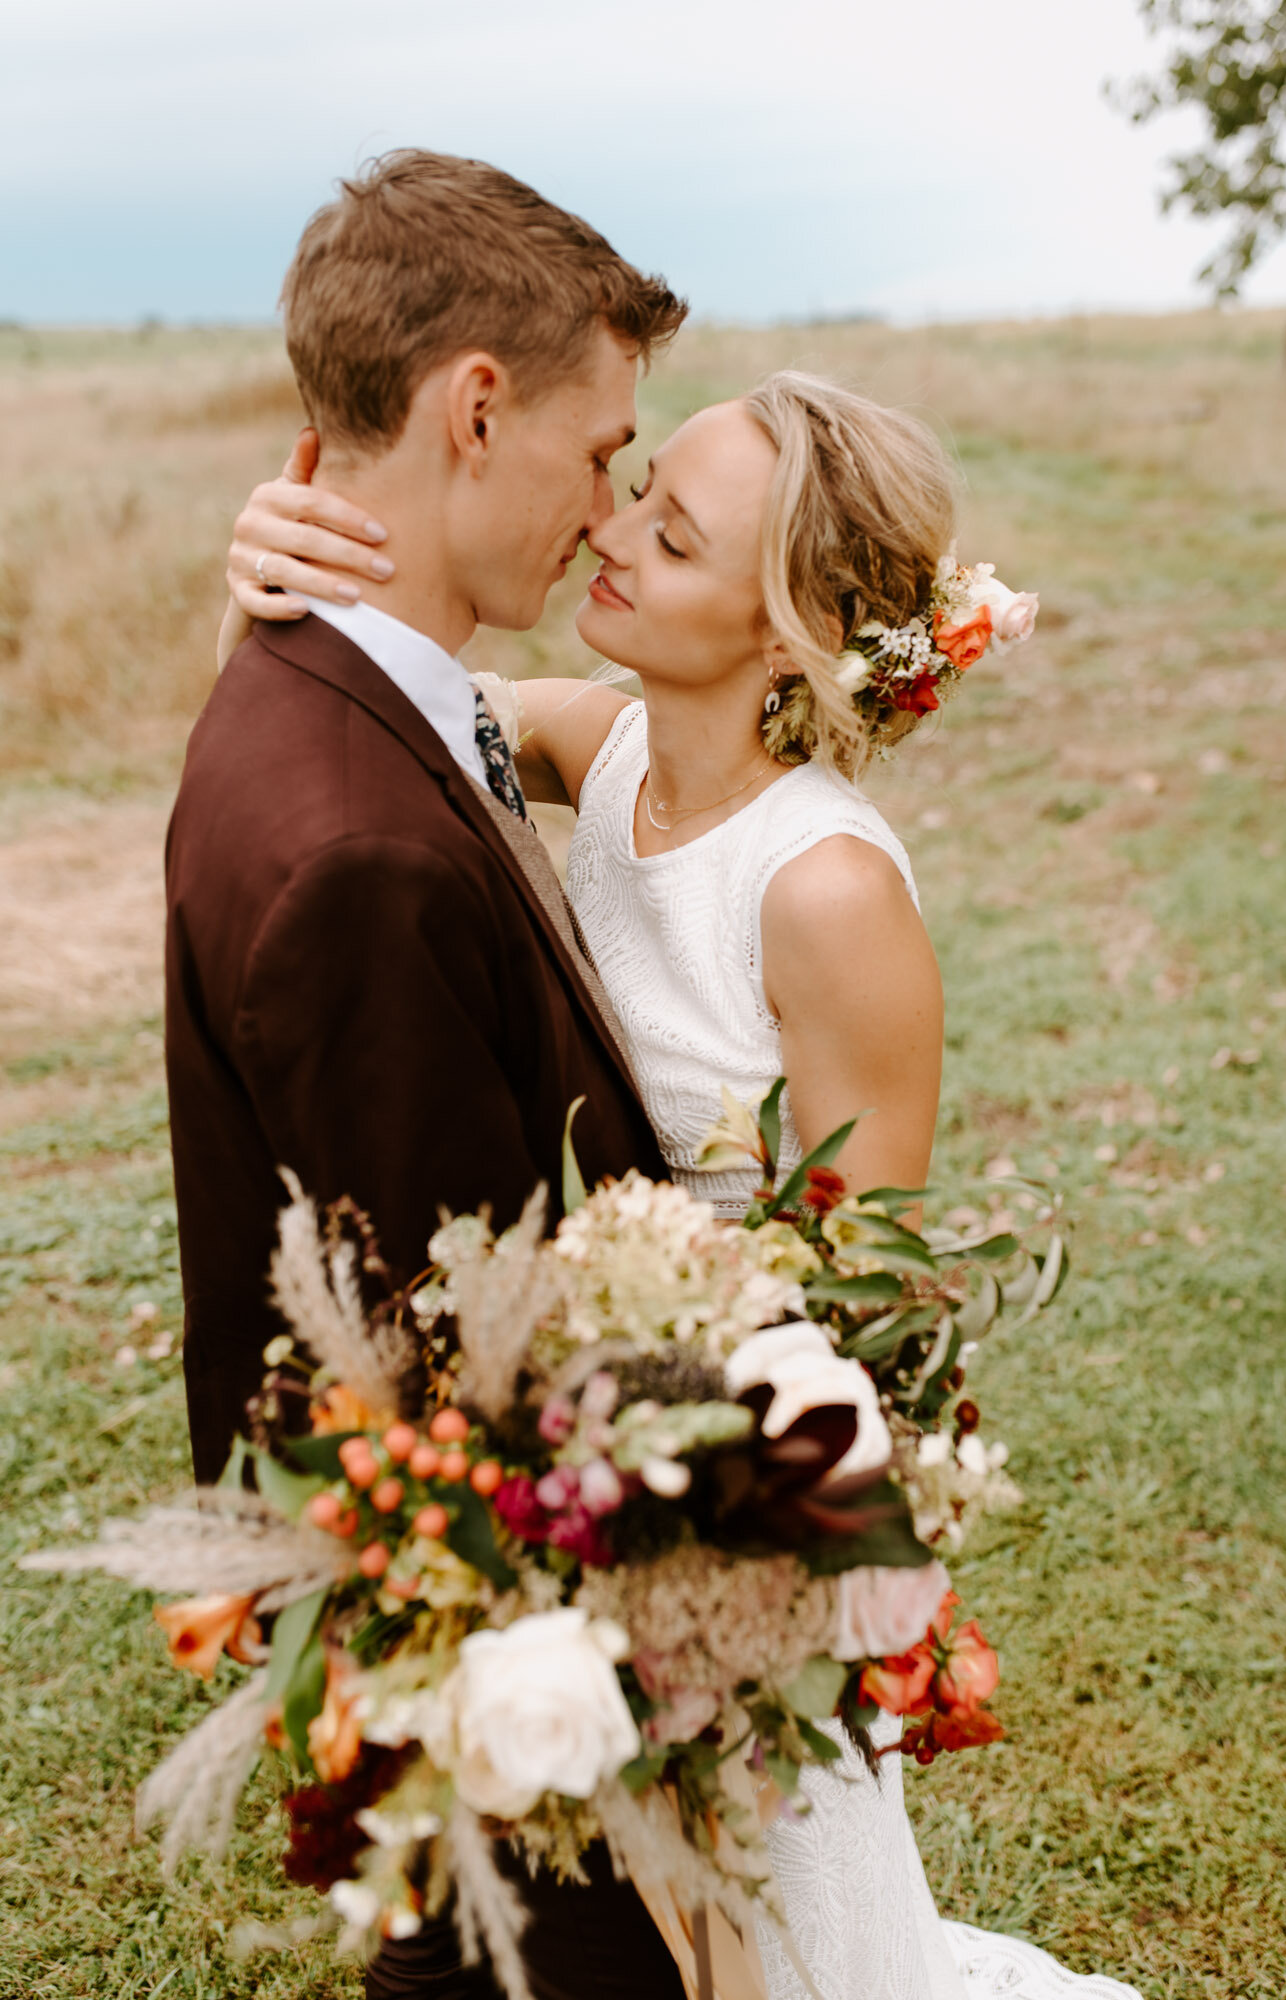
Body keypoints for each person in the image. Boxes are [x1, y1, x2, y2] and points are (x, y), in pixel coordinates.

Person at [228, 352, 1142, 2000]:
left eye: (676, 532)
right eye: (637, 489)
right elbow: (383, 710)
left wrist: (692, 1502)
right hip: (588, 1415)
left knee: (756, 1920)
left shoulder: (827, 893)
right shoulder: (613, 745)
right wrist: (283, 569)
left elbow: (879, 1296)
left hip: (737, 1465)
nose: (613, 535)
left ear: (782, 626)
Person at [166, 149, 691, 2000]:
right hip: (507, 1677)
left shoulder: (321, 691)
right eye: (605, 448)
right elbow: (473, 1386)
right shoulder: (355, 848)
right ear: (477, 407)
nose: (613, 504)